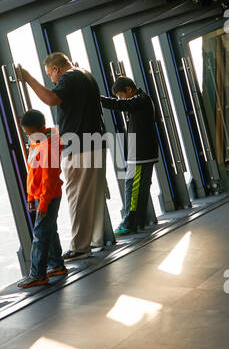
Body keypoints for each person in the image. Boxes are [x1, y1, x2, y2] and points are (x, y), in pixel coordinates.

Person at [16, 52, 107, 260]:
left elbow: (51, 98)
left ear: (57, 69)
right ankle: (95, 240)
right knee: (92, 194)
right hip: (96, 142)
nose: (51, 79)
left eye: (50, 75)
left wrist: (28, 78)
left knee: (77, 196)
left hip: (80, 146)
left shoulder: (70, 77)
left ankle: (79, 247)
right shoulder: (86, 74)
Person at [16, 109, 68, 289]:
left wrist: (43, 203)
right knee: (48, 230)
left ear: (39, 128)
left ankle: (38, 274)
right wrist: (31, 196)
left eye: (29, 132)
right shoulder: (37, 142)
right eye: (26, 134)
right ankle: (56, 265)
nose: (28, 136)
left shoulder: (49, 147)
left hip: (49, 196)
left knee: (40, 234)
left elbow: (49, 178)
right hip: (40, 195)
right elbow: (32, 172)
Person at [99, 76, 157, 236]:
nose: (120, 98)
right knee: (139, 187)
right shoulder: (142, 99)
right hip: (142, 152)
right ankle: (138, 222)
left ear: (129, 90)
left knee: (133, 186)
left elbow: (119, 105)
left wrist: (96, 98)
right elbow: (122, 103)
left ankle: (128, 223)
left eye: (120, 94)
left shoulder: (140, 100)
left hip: (140, 153)